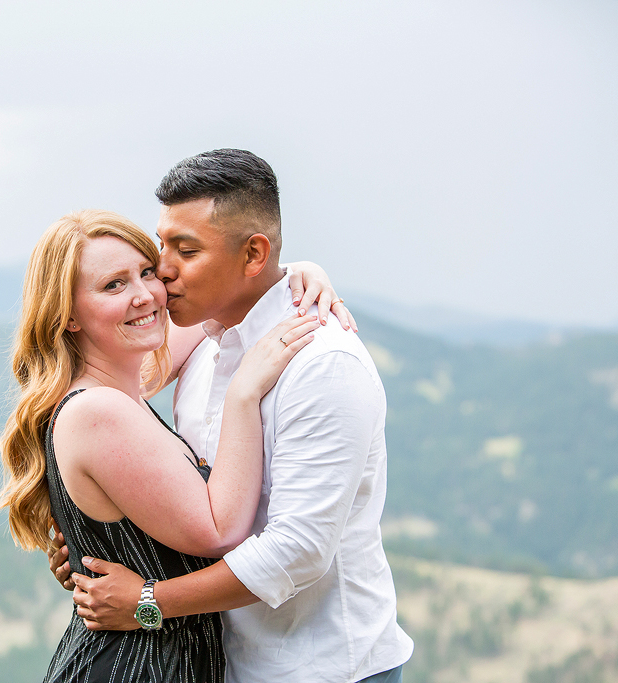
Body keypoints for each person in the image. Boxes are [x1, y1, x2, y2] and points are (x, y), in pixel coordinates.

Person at [54, 149, 414, 683]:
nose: (163, 273)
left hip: (321, 666)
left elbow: (298, 551)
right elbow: (105, 398)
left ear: (252, 255)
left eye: (187, 251)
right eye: (162, 246)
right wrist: (91, 538)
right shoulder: (202, 341)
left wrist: (149, 602)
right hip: (227, 662)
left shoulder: (322, 365)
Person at [0, 209, 343, 682]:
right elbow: (221, 531)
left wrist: (300, 277)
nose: (144, 296)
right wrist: (244, 393)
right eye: (113, 285)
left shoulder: (122, 385)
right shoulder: (98, 411)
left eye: (146, 273)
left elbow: (216, 311)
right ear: (68, 316)